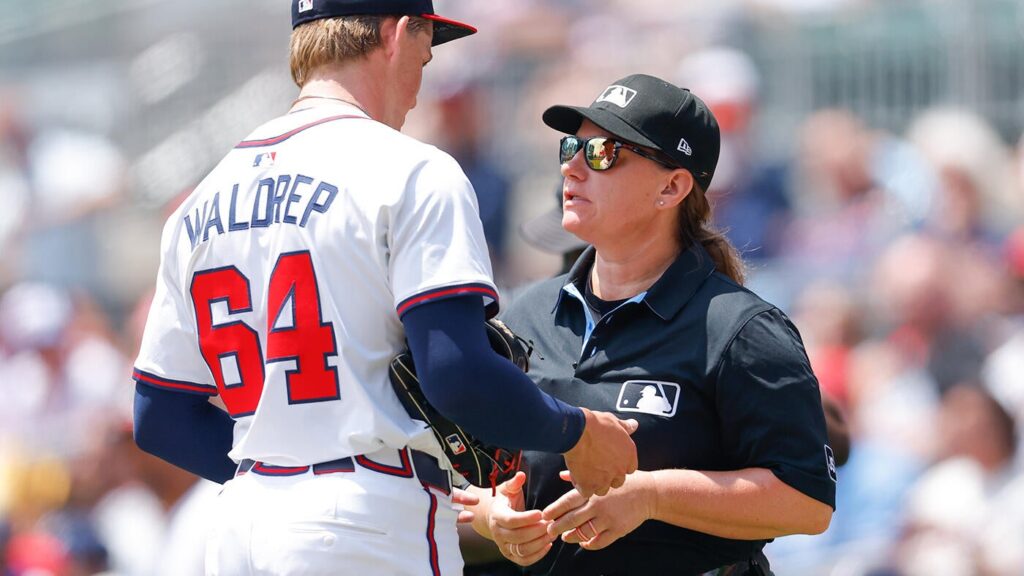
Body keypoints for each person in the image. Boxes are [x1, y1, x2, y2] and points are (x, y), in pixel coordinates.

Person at [130, 2, 638, 575]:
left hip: (239, 523)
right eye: (424, 57)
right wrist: (575, 430)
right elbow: (456, 373)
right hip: (363, 517)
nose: (420, 87)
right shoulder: (413, 170)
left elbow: (160, 417)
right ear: (395, 36)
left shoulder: (202, 199)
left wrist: (279, 476)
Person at [465, 74, 836, 576]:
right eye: (571, 147)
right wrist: (492, 517)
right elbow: (464, 474)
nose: (572, 166)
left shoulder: (741, 329)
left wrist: (652, 496)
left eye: (603, 153)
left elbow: (807, 502)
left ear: (671, 186)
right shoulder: (525, 313)